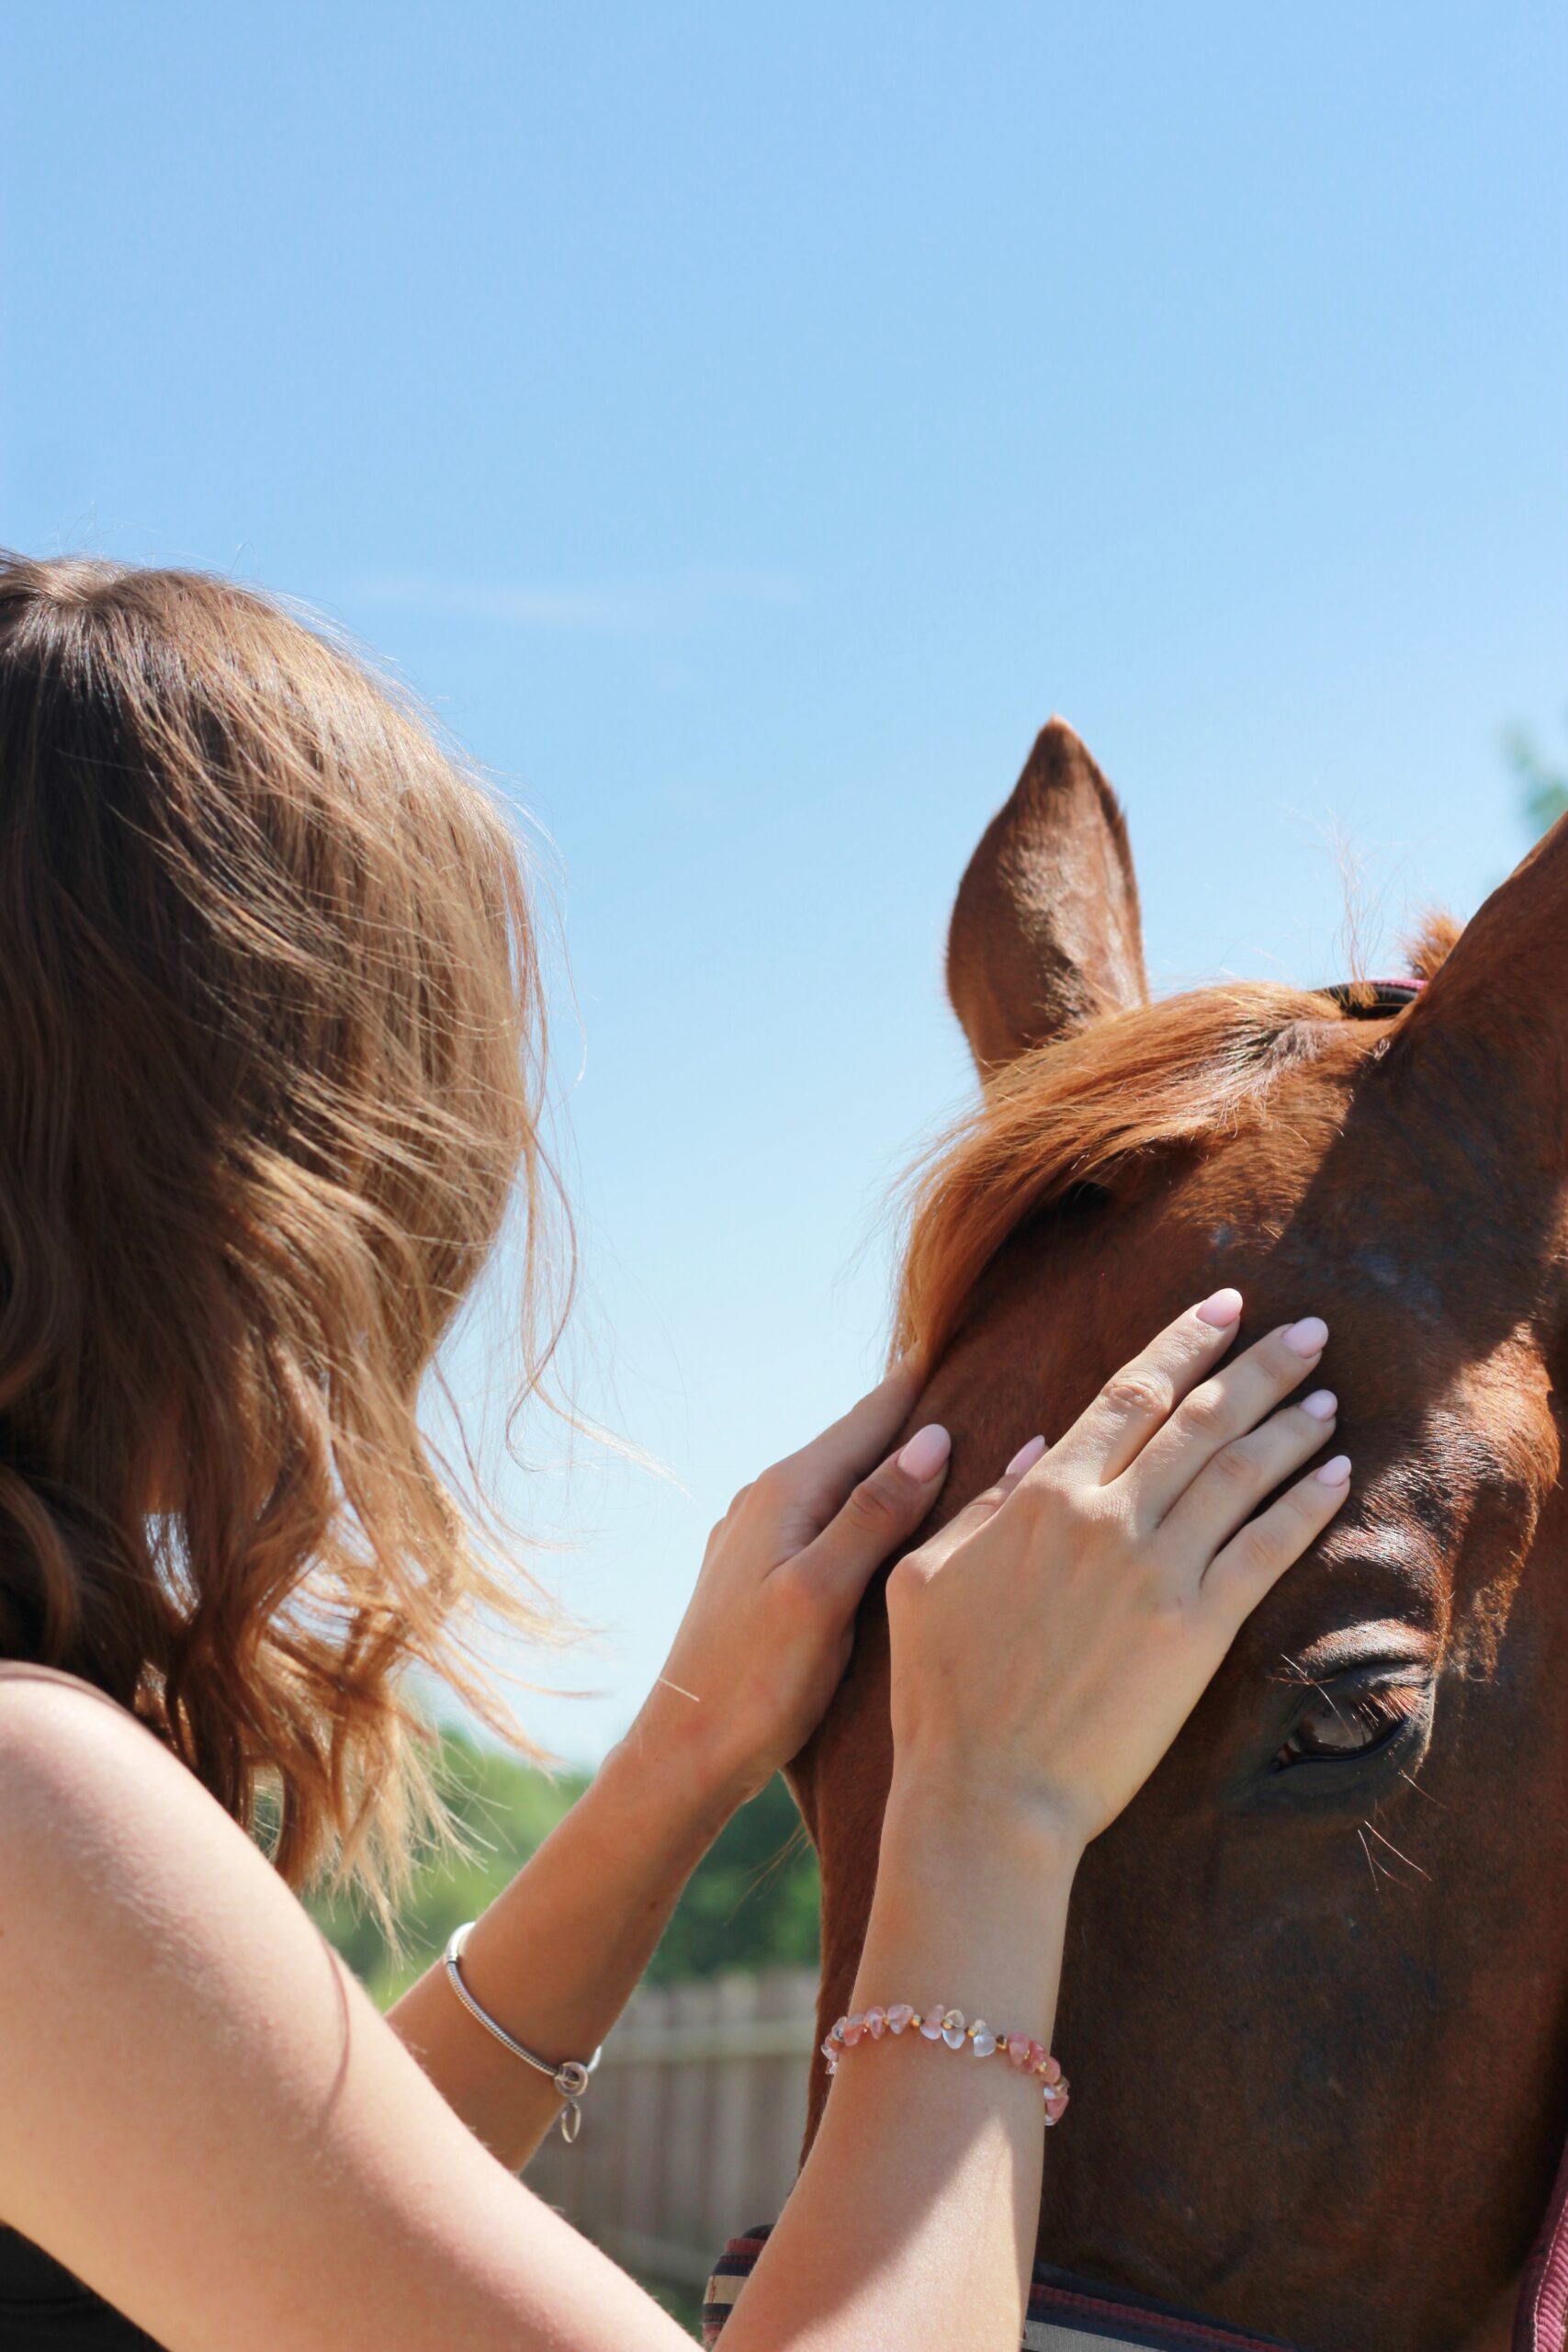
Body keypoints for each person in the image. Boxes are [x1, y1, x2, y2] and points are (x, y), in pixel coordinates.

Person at [0, 553, 1350, 2352]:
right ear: (253, 1183)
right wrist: (986, 1812)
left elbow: (263, 2236)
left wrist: (684, 1752)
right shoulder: (27, 1798)